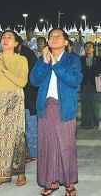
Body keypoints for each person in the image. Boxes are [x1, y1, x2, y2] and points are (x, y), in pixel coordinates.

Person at [30, 28, 83, 196]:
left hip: (64, 108)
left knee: (65, 146)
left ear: (66, 42)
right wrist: (45, 64)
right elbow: (33, 80)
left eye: (58, 36)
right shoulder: (42, 60)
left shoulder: (73, 60)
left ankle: (69, 183)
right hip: (45, 107)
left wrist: (56, 63)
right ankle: (50, 181)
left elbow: (74, 81)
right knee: (47, 146)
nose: (54, 38)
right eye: (51, 36)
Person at [0, 30, 28, 187]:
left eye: (10, 37)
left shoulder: (22, 59)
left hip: (16, 98)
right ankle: (0, 173)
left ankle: (20, 174)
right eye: (3, 37)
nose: (6, 39)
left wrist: (4, 69)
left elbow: (22, 82)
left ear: (16, 43)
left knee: (17, 137)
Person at [15, 36, 38, 163]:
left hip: (29, 94)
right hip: (20, 95)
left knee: (31, 125)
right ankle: (24, 150)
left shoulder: (26, 55)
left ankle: (34, 152)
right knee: (21, 126)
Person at [79, 41, 101, 130]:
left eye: (90, 46)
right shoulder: (81, 59)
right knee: (84, 103)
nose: (88, 48)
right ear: (84, 49)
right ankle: (84, 122)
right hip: (84, 83)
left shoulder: (98, 59)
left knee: (94, 103)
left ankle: (95, 122)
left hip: (95, 83)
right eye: (86, 47)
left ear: (93, 48)